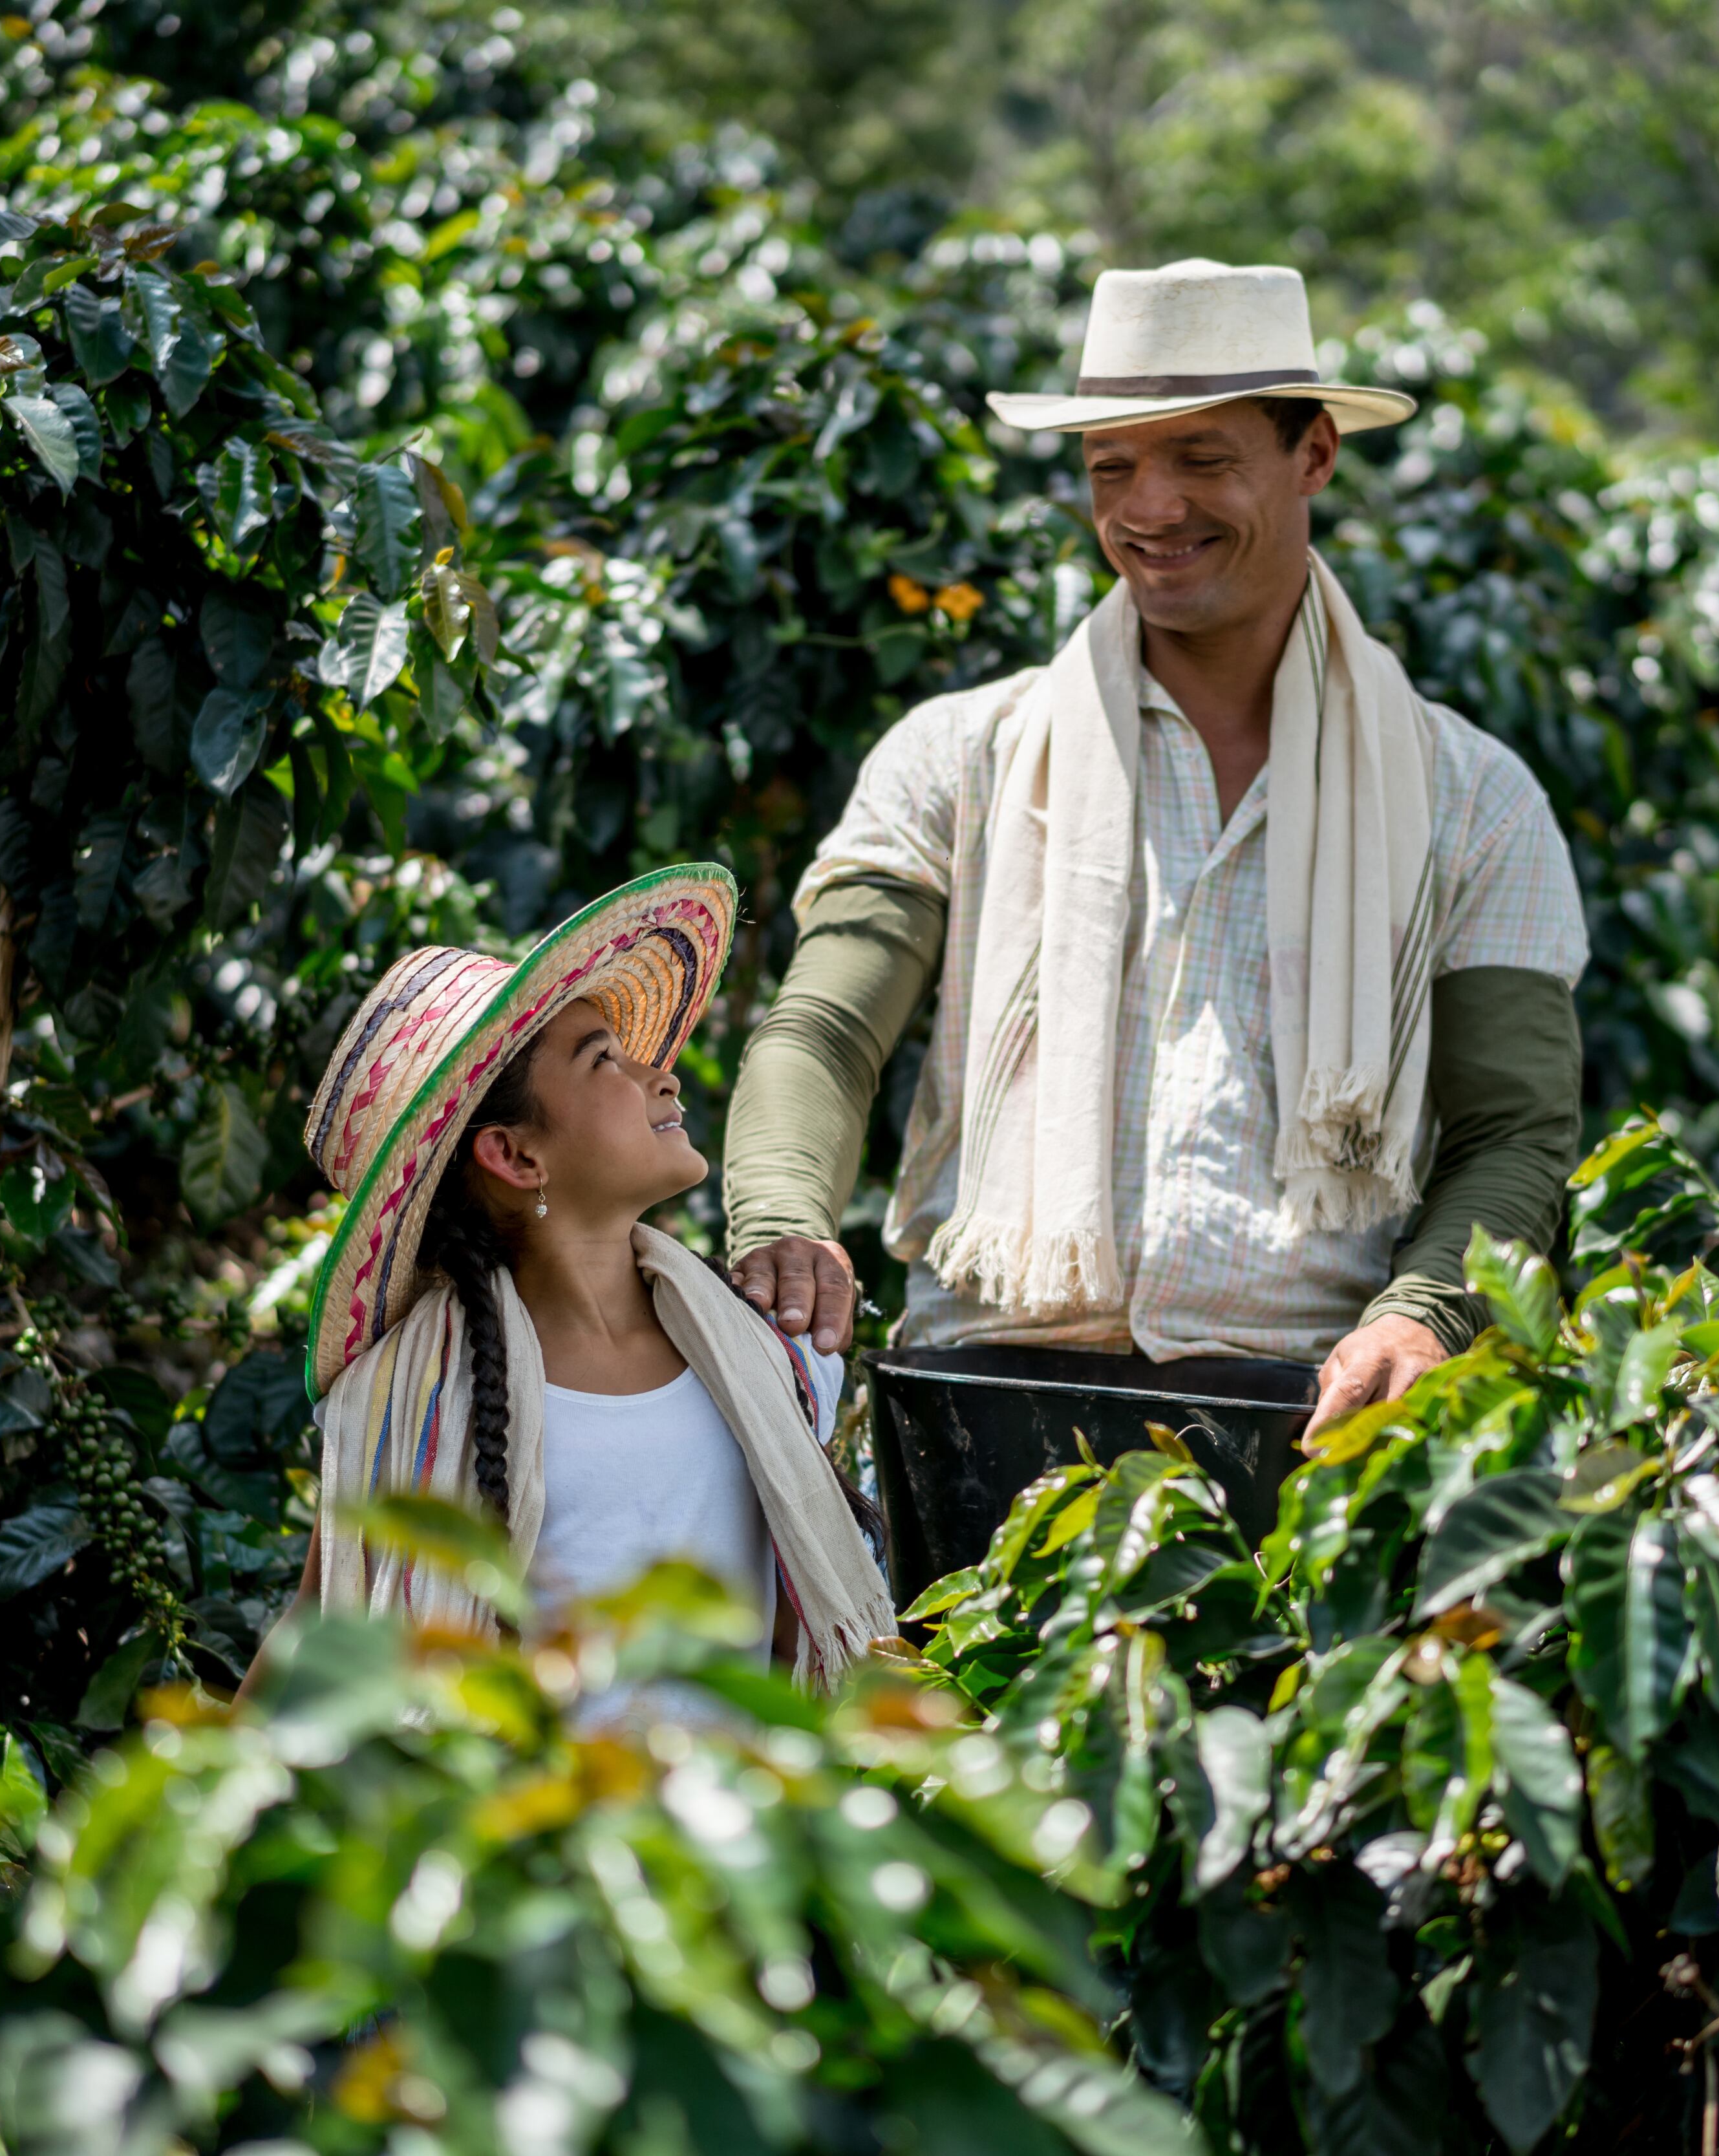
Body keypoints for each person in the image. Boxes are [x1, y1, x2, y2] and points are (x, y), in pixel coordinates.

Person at [723, 259, 1587, 1434]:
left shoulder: (1470, 798)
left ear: (1316, 456)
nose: (1151, 509)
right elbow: (824, 1030)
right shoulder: (958, 756)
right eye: (1112, 467)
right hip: (985, 1393)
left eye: (1203, 460)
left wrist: (1423, 1313)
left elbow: (1512, 1126)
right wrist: (783, 1218)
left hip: (1308, 1409)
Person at [279, 864, 895, 1689]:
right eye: (603, 1058)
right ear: (515, 1154)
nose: (661, 1075)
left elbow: (796, 1638)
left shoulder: (762, 1353)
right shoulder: (409, 1402)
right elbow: (319, 1631)